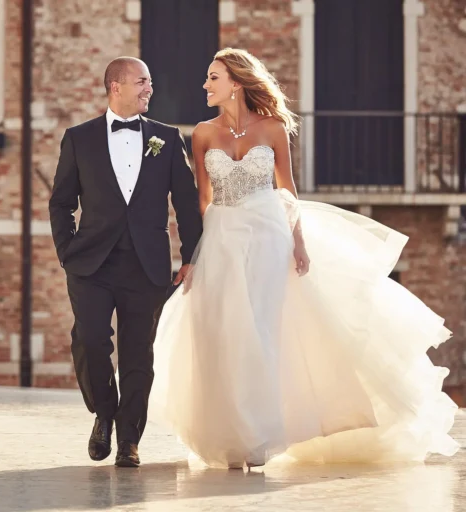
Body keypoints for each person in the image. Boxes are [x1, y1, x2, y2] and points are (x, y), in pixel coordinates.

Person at [149, 47, 460, 470]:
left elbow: (287, 190)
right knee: (225, 333)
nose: (205, 84)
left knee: (263, 331)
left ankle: (257, 438)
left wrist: (298, 242)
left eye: (213, 77)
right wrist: (197, 254)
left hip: (268, 237)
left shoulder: (273, 128)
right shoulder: (202, 133)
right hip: (223, 239)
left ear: (236, 83)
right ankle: (233, 437)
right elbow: (203, 198)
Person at [49, 57, 203, 468]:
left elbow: (187, 204)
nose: (149, 88)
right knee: (90, 340)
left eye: (149, 81)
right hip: (91, 264)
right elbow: (61, 202)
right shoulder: (78, 139)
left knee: (139, 355)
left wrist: (190, 257)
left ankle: (129, 440)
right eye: (142, 82)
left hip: (147, 265)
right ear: (115, 86)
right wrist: (67, 252)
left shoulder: (167, 139)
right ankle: (104, 411)